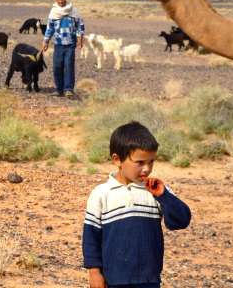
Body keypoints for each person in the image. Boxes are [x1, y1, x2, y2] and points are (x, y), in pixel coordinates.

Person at [82, 121, 191, 288]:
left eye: (151, 162)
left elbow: (181, 221)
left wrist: (164, 195)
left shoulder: (156, 190)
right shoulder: (101, 194)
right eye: (140, 162)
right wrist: (94, 273)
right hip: (113, 281)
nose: (147, 169)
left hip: (149, 280)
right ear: (117, 159)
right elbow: (91, 238)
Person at [42, 0, 85, 97]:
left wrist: (80, 39)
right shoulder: (53, 12)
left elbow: (80, 25)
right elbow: (49, 28)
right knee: (57, 66)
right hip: (58, 44)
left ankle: (68, 89)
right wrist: (46, 41)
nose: (61, 1)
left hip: (71, 43)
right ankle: (59, 89)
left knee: (68, 65)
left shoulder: (73, 11)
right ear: (56, 0)